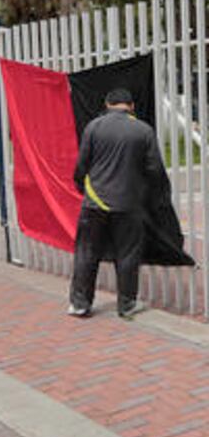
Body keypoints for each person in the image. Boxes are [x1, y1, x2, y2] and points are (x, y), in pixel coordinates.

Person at [69, 88, 165, 319]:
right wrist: (152, 198)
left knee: (86, 252)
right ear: (131, 106)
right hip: (128, 204)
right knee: (128, 254)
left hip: (94, 203)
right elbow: (155, 170)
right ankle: (126, 304)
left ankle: (80, 304)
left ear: (107, 104)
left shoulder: (94, 126)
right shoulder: (143, 130)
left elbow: (81, 165)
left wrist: (83, 189)